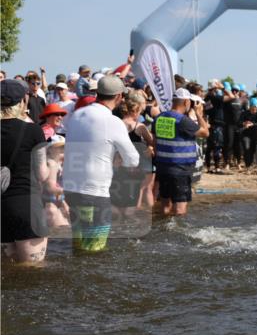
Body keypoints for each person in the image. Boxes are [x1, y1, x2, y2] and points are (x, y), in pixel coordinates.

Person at [61, 75, 140, 252]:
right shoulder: (112, 121)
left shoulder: (77, 114)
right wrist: (116, 159)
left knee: (79, 246)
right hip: (94, 194)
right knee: (94, 250)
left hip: (71, 190)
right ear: (119, 96)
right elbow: (133, 159)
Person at [1, 79, 49, 263]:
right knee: (31, 273)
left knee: (7, 274)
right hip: (25, 205)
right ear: (22, 102)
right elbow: (42, 174)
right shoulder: (33, 131)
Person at [153, 88, 210, 216]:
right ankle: (178, 234)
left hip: (163, 167)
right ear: (185, 102)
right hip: (180, 170)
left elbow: (155, 141)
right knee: (180, 209)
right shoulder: (183, 121)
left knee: (165, 206)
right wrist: (198, 113)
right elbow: (205, 132)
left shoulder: (159, 118)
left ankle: (163, 231)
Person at [110, 89, 155, 216]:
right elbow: (151, 141)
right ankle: (137, 218)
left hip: (119, 164)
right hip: (137, 164)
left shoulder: (116, 124)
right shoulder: (139, 127)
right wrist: (150, 148)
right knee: (140, 191)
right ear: (135, 111)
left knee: (120, 193)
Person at [241, 97, 257, 170]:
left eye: (255, 108)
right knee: (246, 148)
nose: (254, 109)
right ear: (250, 106)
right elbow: (239, 122)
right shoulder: (245, 113)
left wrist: (252, 124)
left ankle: (249, 164)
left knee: (252, 151)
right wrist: (244, 123)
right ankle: (247, 166)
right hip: (246, 134)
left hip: (254, 134)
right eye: (252, 108)